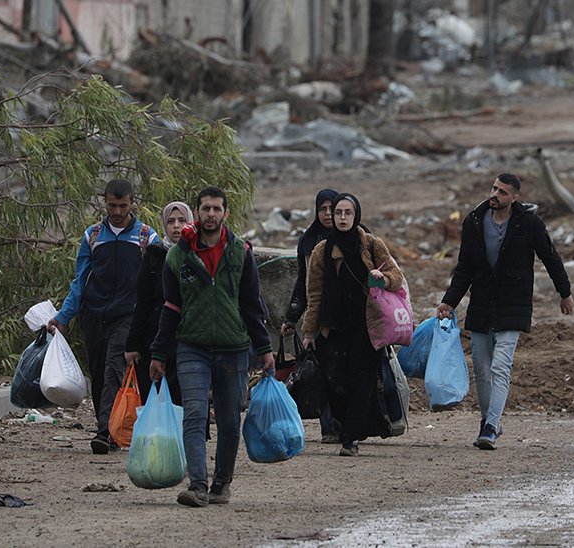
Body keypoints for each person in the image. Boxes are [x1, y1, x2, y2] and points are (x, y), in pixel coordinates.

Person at [149, 186, 274, 507]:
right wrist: (159, 354)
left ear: (225, 214)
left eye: (216, 209)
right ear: (198, 211)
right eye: (205, 208)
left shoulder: (241, 252)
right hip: (192, 347)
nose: (211, 214)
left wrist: (265, 348)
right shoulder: (178, 256)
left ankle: (222, 483)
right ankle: (198, 484)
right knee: (194, 413)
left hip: (234, 349)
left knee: (231, 419)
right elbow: (170, 308)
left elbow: (252, 305)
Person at [436, 173, 573, 450]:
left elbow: (550, 256)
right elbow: (464, 268)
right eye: (494, 188)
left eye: (502, 192)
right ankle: (490, 421)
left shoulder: (528, 223)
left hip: (514, 303)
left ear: (514, 198)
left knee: (501, 366)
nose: (495, 194)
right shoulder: (474, 221)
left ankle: (489, 428)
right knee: (482, 371)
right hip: (481, 305)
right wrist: (449, 301)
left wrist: (565, 292)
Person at [48, 178, 158, 455]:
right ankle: (110, 425)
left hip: (128, 317)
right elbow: (80, 280)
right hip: (94, 316)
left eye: (123, 205)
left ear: (133, 202)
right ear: (105, 202)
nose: (118, 211)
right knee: (98, 373)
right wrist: (64, 316)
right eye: (112, 205)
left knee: (113, 370)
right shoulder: (93, 236)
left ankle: (105, 432)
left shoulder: (146, 237)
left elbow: (157, 282)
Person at [300, 193, 405, 457]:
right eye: (338, 213)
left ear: (356, 215)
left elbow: (397, 276)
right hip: (333, 327)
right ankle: (344, 427)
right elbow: (313, 294)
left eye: (348, 212)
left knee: (363, 380)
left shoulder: (371, 244)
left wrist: (382, 278)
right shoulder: (322, 250)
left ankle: (350, 438)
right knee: (336, 383)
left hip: (367, 326)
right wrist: (309, 331)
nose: (343, 217)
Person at [281, 188, 341, 443]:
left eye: (333, 209)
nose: (328, 214)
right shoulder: (308, 241)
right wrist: (291, 317)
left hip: (348, 316)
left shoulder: (357, 235)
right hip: (317, 317)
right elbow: (302, 283)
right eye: (323, 209)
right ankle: (330, 427)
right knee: (322, 372)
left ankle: (349, 423)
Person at [124, 201, 191, 404]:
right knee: (153, 398)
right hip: (155, 337)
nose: (176, 226)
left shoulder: (197, 255)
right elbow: (142, 303)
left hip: (189, 338)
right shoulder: (154, 255)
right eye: (171, 221)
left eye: (182, 220)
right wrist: (133, 344)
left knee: (186, 398)